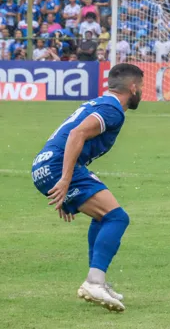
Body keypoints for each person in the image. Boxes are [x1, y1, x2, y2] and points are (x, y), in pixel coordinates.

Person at [31, 64, 144, 312]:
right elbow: (75, 135)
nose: (142, 93)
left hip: (44, 164)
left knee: (103, 216)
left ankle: (98, 282)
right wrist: (64, 179)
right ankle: (94, 281)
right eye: (142, 87)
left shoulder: (98, 103)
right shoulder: (112, 109)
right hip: (56, 166)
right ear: (133, 88)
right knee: (117, 217)